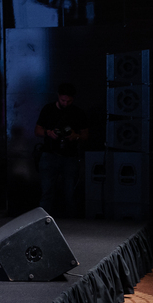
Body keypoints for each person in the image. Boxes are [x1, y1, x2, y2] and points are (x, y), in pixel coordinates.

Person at [35, 82, 90, 216]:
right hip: (49, 153)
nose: (65, 103)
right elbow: (37, 130)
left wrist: (75, 136)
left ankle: (72, 220)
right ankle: (43, 220)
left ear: (73, 99)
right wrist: (49, 133)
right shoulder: (48, 109)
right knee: (47, 191)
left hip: (70, 156)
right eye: (63, 100)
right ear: (58, 96)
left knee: (70, 192)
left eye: (68, 101)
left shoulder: (78, 113)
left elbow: (85, 135)